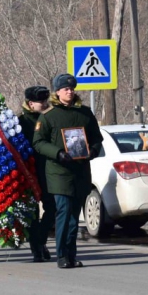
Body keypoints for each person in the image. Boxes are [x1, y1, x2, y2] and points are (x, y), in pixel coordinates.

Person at [32, 74, 104, 269]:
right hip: (59, 172)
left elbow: (97, 138)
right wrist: (58, 153)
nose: (70, 92)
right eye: (65, 89)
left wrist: (93, 150)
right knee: (63, 212)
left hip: (80, 171)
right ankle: (62, 255)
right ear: (57, 92)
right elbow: (38, 142)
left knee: (74, 215)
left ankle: (71, 255)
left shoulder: (85, 113)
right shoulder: (49, 115)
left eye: (72, 89)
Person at [19, 85, 56, 263]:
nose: (44, 104)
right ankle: (36, 248)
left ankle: (40, 240)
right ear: (30, 103)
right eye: (40, 101)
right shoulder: (21, 122)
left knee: (53, 207)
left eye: (45, 100)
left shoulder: (51, 117)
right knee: (32, 212)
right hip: (30, 171)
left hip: (48, 169)